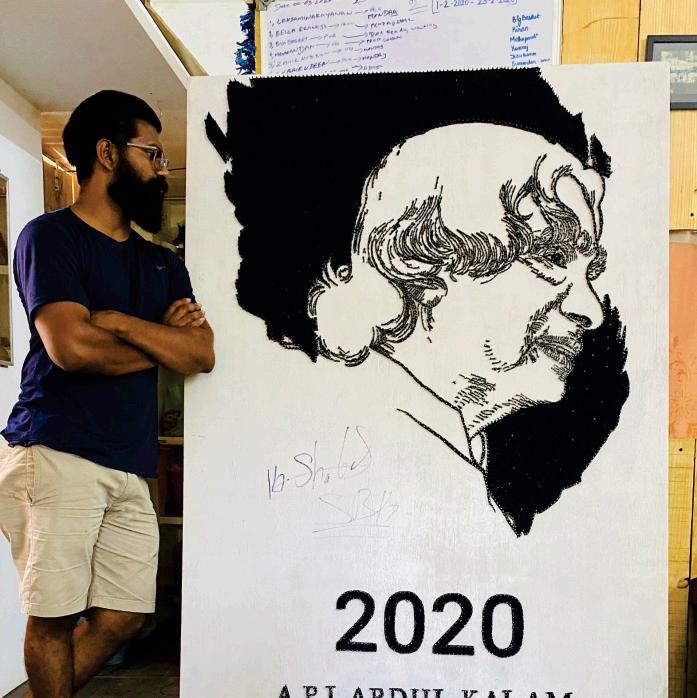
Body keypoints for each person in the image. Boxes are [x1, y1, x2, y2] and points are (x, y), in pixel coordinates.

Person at [206, 69, 628, 535]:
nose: (591, 312)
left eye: (590, 273)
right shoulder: (353, 451)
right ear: (423, 269)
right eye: (552, 258)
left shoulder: (449, 455)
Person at [0, 90, 214, 698]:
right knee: (53, 617)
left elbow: (201, 354)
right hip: (55, 451)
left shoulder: (161, 262)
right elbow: (72, 348)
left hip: (129, 462)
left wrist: (118, 323)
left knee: (125, 616)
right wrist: (160, 341)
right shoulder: (50, 238)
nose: (162, 169)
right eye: (153, 154)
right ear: (107, 153)